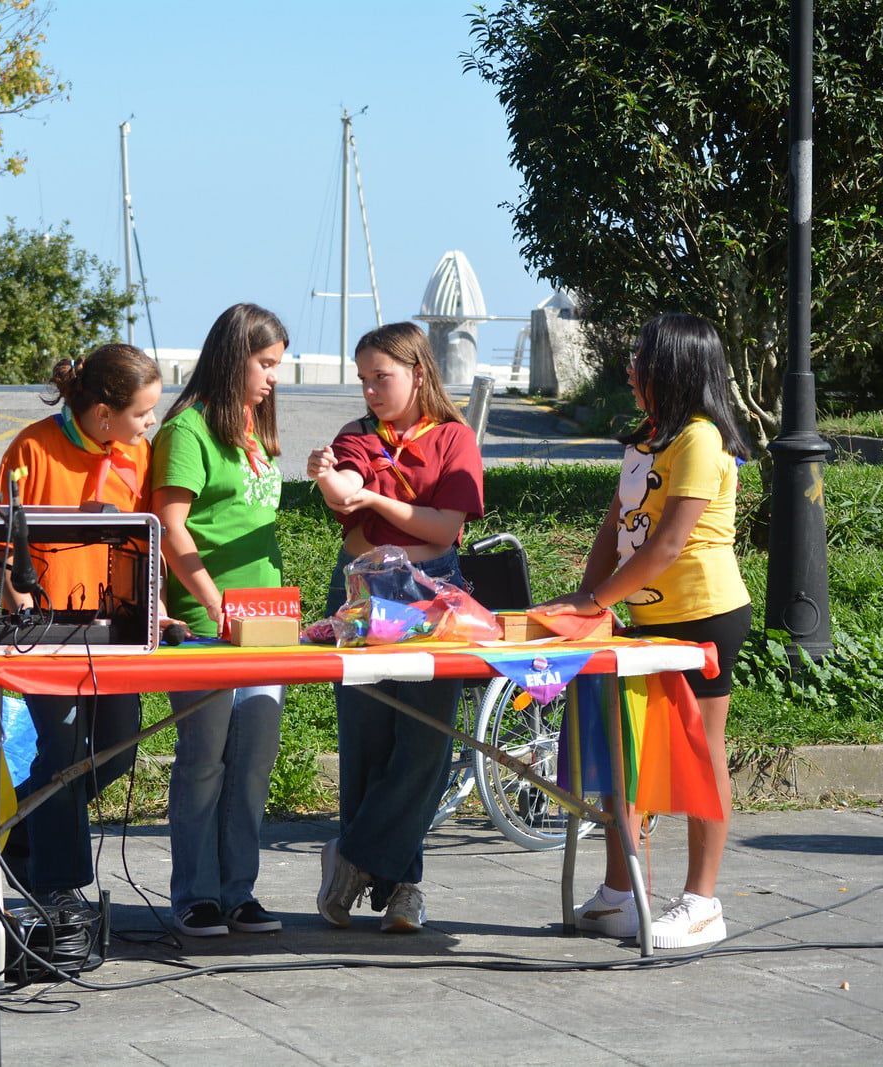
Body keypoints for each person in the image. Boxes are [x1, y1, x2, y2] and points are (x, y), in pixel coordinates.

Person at [533, 311, 752, 950]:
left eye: (643, 361)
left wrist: (596, 599)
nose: (630, 371)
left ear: (677, 367)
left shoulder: (701, 440)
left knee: (702, 754)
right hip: (647, 617)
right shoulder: (650, 437)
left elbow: (668, 545)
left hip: (704, 614)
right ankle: (618, 894)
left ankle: (702, 902)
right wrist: (584, 598)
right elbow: (616, 527)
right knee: (629, 753)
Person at [307, 322, 485, 933]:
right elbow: (344, 490)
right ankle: (402, 885)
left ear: (418, 371)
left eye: (382, 376)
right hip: (362, 591)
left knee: (427, 740)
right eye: (363, 379)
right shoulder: (358, 436)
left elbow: (443, 529)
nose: (371, 390)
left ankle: (356, 859)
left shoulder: (455, 438)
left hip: (432, 594)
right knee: (366, 736)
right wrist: (326, 476)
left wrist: (378, 507)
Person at [0, 344, 160, 907]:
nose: (150, 423)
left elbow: (147, 539)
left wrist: (155, 605)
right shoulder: (33, 448)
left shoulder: (139, 454)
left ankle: (20, 823)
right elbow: (1, 548)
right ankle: (59, 888)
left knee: (117, 750)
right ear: (105, 412)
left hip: (116, 631)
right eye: (142, 413)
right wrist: (18, 602)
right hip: (46, 635)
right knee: (62, 753)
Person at [151, 302, 288, 938]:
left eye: (278, 365)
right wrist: (213, 603)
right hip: (206, 625)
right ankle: (196, 893)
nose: (272, 378)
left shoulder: (259, 431)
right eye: (264, 364)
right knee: (203, 758)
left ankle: (240, 890)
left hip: (265, 625)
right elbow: (169, 529)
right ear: (234, 359)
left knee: (253, 759)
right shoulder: (187, 431)